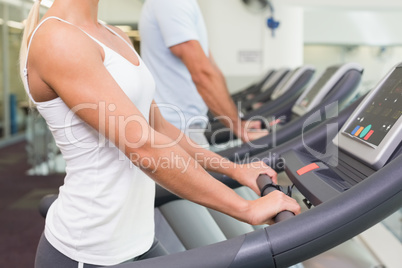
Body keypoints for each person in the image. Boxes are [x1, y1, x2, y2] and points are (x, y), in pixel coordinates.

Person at [20, 0, 300, 267]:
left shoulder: (114, 35)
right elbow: (143, 146)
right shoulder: (58, 39)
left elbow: (160, 128)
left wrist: (235, 171)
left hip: (140, 241)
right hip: (91, 251)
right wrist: (246, 209)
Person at [139, 0, 268, 147]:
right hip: (176, 128)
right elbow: (202, 74)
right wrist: (239, 129)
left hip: (185, 125)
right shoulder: (172, 3)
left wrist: (238, 121)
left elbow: (211, 68)